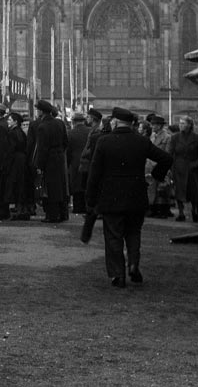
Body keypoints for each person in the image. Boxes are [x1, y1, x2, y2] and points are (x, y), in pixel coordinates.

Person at [86, 106, 172, 288]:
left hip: (111, 197)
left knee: (113, 236)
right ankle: (133, 264)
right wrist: (156, 175)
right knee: (134, 232)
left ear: (115, 122)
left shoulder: (104, 141)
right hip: (136, 194)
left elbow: (94, 173)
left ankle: (118, 274)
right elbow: (166, 158)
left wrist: (91, 199)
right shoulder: (141, 141)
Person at [32, 100, 69, 223]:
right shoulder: (60, 123)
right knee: (60, 187)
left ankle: (52, 215)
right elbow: (65, 142)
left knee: (49, 188)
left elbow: (42, 148)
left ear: (41, 111)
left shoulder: (43, 127)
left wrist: (39, 165)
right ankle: (63, 213)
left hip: (48, 160)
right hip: (58, 158)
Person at [167, 116, 198, 223]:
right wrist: (169, 167)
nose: (181, 125)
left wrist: (196, 164)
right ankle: (181, 213)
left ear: (190, 125)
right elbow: (170, 153)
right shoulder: (175, 137)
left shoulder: (197, 137)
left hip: (192, 168)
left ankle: (194, 210)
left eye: (183, 123)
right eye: (180, 123)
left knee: (193, 191)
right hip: (178, 168)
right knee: (179, 191)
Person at [146, 115, 174, 218]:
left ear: (160, 126)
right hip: (151, 165)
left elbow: (168, 153)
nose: (152, 126)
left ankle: (163, 211)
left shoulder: (167, 137)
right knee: (152, 188)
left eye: (154, 124)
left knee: (162, 189)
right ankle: (153, 209)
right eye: (152, 124)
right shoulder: (152, 136)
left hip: (161, 165)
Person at [66, 112, 91, 214]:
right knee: (87, 184)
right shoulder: (90, 132)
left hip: (74, 162)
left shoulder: (70, 133)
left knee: (76, 185)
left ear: (73, 122)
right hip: (88, 161)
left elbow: (68, 150)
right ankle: (87, 206)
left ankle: (77, 207)